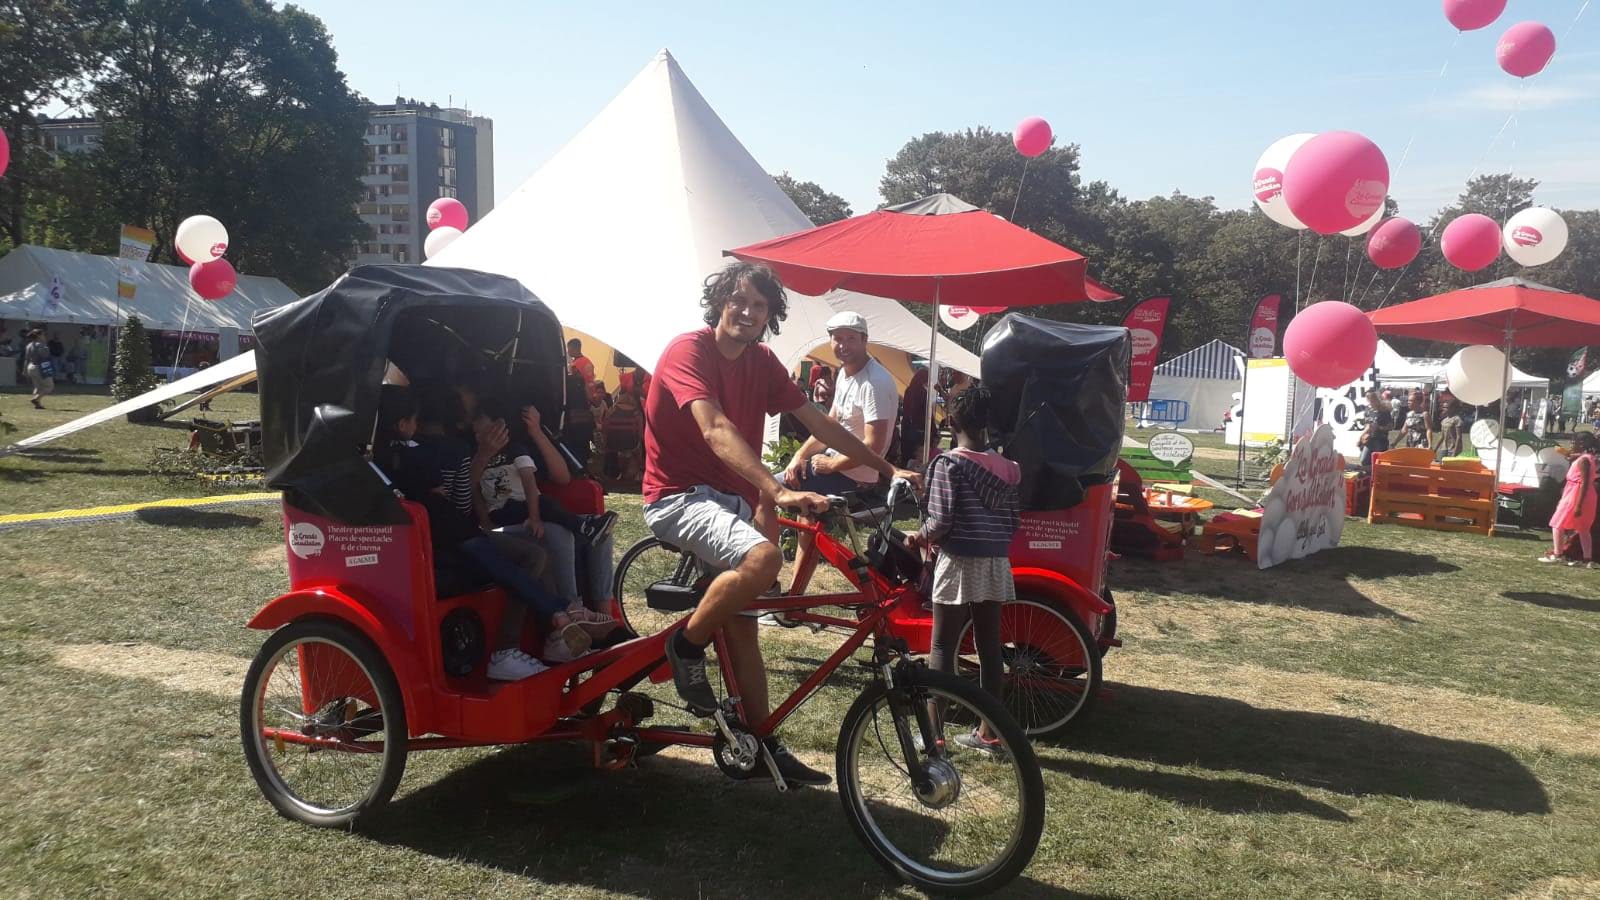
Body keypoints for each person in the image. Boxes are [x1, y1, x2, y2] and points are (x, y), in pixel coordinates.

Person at [642, 261, 921, 787]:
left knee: (745, 623)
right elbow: (715, 428)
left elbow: (819, 424)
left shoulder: (763, 360)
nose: (747, 312)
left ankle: (760, 742)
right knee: (763, 558)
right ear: (721, 299)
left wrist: (888, 468)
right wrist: (777, 489)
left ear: (771, 315)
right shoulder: (689, 351)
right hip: (677, 498)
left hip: (729, 498)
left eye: (760, 305)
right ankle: (685, 647)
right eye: (739, 300)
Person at [393, 382, 600, 670]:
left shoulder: (396, 452)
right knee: (533, 552)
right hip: (456, 536)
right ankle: (547, 625)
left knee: (541, 546)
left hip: (446, 535)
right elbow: (463, 505)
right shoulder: (452, 451)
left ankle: (561, 618)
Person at [906, 386, 1019, 756]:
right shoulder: (1009, 469)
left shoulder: (947, 465)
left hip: (957, 561)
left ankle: (934, 734)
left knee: (943, 646)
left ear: (950, 422)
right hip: (995, 561)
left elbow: (940, 521)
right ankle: (989, 734)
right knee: (989, 647)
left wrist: (917, 538)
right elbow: (1013, 522)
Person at [781, 311, 898, 595]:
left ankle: (769, 581)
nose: (843, 345)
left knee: (765, 491)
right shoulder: (846, 374)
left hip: (853, 474)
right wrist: (799, 457)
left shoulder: (875, 382)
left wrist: (832, 465)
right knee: (804, 523)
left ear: (864, 341)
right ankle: (793, 595)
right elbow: (827, 427)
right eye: (837, 338)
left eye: (851, 339)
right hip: (835, 467)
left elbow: (875, 446)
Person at [1541, 433, 1597, 568]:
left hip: (1575, 494)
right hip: (1586, 495)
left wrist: (1578, 505)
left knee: (1557, 523)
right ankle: (1587, 559)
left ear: (1582, 444)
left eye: (1573, 442)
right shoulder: (1588, 458)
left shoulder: (1583, 461)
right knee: (1584, 528)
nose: (1571, 445)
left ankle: (1558, 554)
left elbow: (1583, 482)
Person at [900, 367, 930, 467]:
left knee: (906, 455)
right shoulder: (923, 392)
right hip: (917, 429)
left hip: (906, 427)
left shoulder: (908, 390)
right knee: (916, 456)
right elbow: (924, 412)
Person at [1358, 388, 1392, 469]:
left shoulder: (1384, 411)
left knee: (1378, 461)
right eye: (1368, 398)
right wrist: (1360, 437)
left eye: (1372, 398)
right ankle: (1369, 477)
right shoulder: (1368, 410)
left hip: (1380, 440)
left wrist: (1379, 427)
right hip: (1369, 440)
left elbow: (1391, 426)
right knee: (1364, 460)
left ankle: (1375, 477)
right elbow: (1367, 426)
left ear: (1377, 398)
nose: (1371, 400)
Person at [23, 330, 54, 409]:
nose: (44, 336)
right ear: (39, 336)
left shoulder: (29, 345)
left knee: (37, 387)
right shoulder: (41, 345)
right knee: (49, 386)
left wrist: (25, 370)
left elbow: (26, 359)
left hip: (31, 367)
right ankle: (36, 399)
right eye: (43, 335)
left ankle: (38, 404)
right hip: (40, 367)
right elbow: (45, 356)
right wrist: (45, 345)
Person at [1436, 395, 1464, 459]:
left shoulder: (1457, 419)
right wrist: (1435, 449)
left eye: (1446, 407)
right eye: (1443, 407)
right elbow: (1442, 436)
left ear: (1453, 408)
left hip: (1453, 449)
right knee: (1441, 465)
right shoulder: (1444, 421)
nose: (1444, 409)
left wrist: (1455, 451)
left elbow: (1459, 437)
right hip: (1444, 448)